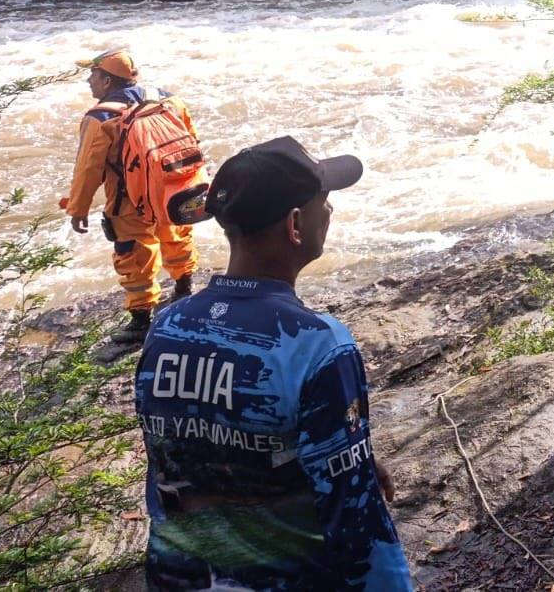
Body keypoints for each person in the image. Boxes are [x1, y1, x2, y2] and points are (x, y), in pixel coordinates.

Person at [135, 136, 413, 590]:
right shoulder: (317, 344)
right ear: (296, 224)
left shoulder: (167, 326)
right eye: (325, 199)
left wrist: (334, 448)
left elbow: (177, 461)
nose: (331, 210)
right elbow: (356, 518)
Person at [64, 48, 200, 345]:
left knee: (134, 255)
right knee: (176, 235)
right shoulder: (169, 100)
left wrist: (78, 209)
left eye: (93, 75)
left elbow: (88, 168)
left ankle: (140, 321)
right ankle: (184, 289)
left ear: (107, 81)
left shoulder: (100, 117)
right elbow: (192, 142)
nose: (88, 81)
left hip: (128, 200)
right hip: (171, 189)